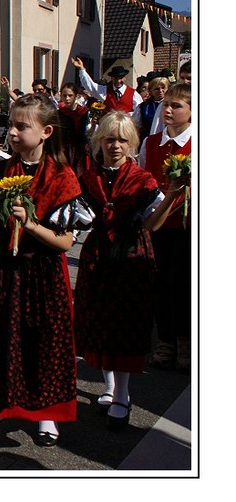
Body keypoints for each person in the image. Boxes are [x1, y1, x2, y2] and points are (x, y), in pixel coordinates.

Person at [0, 94, 93, 470]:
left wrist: (30, 224)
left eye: (20, 126)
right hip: (6, 272)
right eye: (10, 124)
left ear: (45, 132)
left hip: (43, 275)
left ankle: (46, 413)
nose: (11, 131)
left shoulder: (62, 177)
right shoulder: (5, 169)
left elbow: (65, 242)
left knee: (44, 346)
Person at [73, 111, 177, 431]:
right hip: (98, 259)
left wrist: (171, 195)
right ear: (98, 141)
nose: (115, 145)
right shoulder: (87, 177)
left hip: (131, 259)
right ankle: (107, 387)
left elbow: (151, 224)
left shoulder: (143, 180)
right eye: (109, 138)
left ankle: (123, 394)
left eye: (121, 139)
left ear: (131, 143)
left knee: (126, 328)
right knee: (99, 322)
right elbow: (81, 220)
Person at [138, 82, 192, 372]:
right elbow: (145, 181)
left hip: (188, 226)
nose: (168, 109)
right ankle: (166, 339)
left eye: (177, 105)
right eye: (166, 104)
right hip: (159, 223)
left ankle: (185, 338)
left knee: (182, 282)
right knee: (159, 282)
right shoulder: (151, 142)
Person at [72, 57, 143, 113]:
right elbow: (90, 86)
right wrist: (82, 69)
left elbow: (138, 113)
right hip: (109, 128)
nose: (118, 81)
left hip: (125, 128)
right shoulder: (105, 91)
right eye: (115, 78)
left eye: (121, 78)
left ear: (125, 78)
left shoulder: (133, 94)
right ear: (111, 78)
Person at [57, 82, 90, 174]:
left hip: (80, 148)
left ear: (76, 96)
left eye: (70, 95)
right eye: (64, 96)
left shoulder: (84, 112)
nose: (67, 99)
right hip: (65, 148)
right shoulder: (60, 113)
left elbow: (87, 131)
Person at [133, 76, 168, 142]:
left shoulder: (172, 105)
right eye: (157, 89)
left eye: (163, 88)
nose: (160, 91)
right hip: (148, 139)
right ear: (150, 91)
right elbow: (136, 126)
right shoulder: (143, 106)